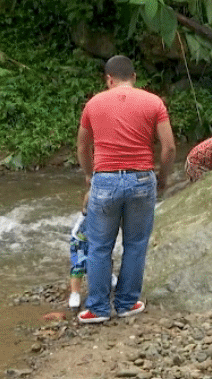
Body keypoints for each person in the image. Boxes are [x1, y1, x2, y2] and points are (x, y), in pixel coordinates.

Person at [75, 55, 176, 324]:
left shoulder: (94, 104)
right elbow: (169, 147)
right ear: (134, 77)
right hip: (142, 179)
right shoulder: (153, 102)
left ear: (108, 79)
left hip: (105, 179)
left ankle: (97, 308)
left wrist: (88, 175)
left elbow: (83, 147)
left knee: (99, 246)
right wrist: (163, 178)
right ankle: (126, 302)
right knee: (135, 244)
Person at [67, 191, 89, 309]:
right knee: (78, 265)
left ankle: (108, 277)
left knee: (104, 259)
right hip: (80, 239)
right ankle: (74, 293)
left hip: (99, 240)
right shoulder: (87, 211)